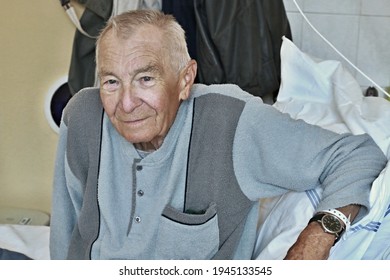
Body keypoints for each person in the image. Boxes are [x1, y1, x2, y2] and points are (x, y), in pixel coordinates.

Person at [50, 10, 387, 260]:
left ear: (185, 80)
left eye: (145, 80)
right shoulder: (82, 115)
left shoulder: (232, 123)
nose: (125, 103)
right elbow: (66, 233)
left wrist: (315, 239)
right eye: (111, 81)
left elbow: (356, 155)